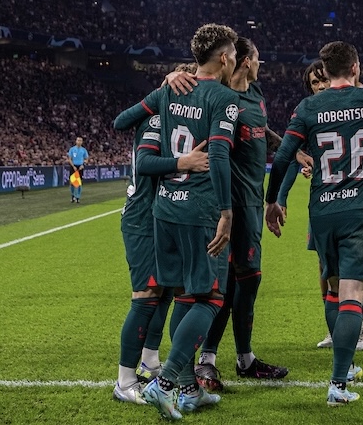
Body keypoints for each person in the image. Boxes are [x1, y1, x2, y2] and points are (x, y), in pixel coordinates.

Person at [264, 28, 363, 407]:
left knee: (332, 289)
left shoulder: (308, 107)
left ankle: (347, 368)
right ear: (355, 67)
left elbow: (285, 155)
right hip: (361, 210)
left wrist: (272, 201)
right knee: (354, 295)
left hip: (322, 212)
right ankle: (339, 383)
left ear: (325, 69)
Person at [117, 23, 241, 420]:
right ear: (224, 58)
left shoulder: (171, 91)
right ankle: (166, 380)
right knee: (210, 298)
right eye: (234, 54)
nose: (236, 60)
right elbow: (218, 156)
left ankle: (187, 388)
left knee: (183, 297)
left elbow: (126, 122)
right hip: (199, 211)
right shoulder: (224, 98)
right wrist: (226, 211)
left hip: (165, 210)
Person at [194, 37, 290, 392]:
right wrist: (173, 76)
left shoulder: (257, 94)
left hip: (251, 202)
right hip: (225, 206)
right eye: (258, 58)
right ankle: (207, 360)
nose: (260, 64)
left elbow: (262, 132)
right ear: (246, 61)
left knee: (245, 281)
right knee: (222, 284)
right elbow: (193, 76)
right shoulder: (217, 95)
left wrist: (289, 150)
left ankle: (243, 358)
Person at [110, 113, 210, 405]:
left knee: (164, 290)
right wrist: (184, 163)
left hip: (162, 216)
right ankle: (125, 382)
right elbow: (144, 164)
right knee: (145, 297)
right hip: (142, 219)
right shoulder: (156, 120)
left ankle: (151, 361)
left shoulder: (171, 118)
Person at [67, 136, 88, 203]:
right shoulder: (72, 149)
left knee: (79, 183)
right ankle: (73, 196)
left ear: (82, 142)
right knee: (72, 182)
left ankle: (78, 197)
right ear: (76, 141)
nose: (79, 142)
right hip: (73, 166)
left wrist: (83, 165)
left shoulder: (83, 150)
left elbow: (86, 159)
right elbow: (69, 159)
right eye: (78, 140)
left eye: (80, 140)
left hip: (80, 167)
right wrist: (73, 166)